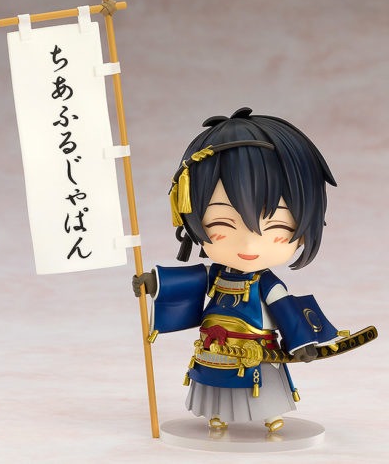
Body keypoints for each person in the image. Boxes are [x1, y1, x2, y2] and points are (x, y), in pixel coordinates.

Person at [133, 107, 341, 432]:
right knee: (214, 378)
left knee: (262, 380)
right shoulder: (215, 275)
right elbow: (190, 281)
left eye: (277, 227)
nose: (249, 244)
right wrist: (154, 282)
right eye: (223, 223)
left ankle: (270, 413)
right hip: (215, 350)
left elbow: (286, 312)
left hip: (255, 350)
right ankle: (217, 414)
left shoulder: (268, 284)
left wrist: (302, 342)